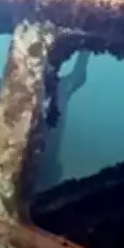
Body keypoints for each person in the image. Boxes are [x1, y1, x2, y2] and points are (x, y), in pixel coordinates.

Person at [35, 51, 90, 191]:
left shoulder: (62, 86)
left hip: (48, 165)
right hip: (38, 163)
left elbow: (79, 77)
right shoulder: (60, 87)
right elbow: (79, 77)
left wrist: (85, 51)